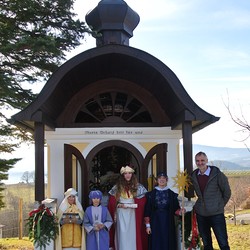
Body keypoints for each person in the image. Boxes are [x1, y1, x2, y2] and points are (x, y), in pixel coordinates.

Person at [191, 151, 231, 250]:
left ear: (207, 160)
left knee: (223, 243)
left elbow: (227, 192)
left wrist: (219, 205)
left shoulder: (217, 175)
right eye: (197, 161)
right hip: (201, 214)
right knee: (207, 244)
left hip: (216, 214)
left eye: (202, 160)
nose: (200, 163)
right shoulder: (194, 176)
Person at [108, 165, 148, 250]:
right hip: (121, 214)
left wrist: (133, 205)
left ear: (132, 174)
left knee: (133, 234)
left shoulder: (139, 187)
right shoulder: (117, 187)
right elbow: (112, 203)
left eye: (129, 173)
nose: (128, 175)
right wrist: (119, 205)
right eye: (125, 173)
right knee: (122, 234)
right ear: (122, 175)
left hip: (134, 214)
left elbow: (143, 202)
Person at [144, 172, 185, 250]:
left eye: (164, 178)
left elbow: (175, 210)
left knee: (167, 241)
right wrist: (148, 226)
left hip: (168, 222)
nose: (162, 180)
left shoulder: (172, 195)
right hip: (155, 222)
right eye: (159, 178)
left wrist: (180, 211)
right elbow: (147, 210)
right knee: (156, 241)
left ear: (167, 180)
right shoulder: (150, 195)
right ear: (157, 180)